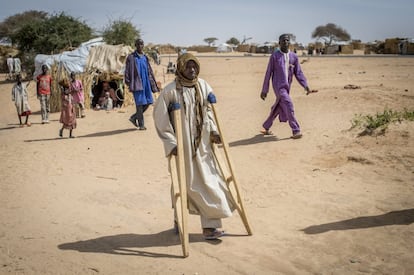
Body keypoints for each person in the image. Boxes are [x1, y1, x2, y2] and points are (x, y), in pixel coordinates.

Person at [153, 53, 235, 240]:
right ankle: (179, 218)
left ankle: (210, 227)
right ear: (181, 68)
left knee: (211, 182)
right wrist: (171, 142)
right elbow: (161, 119)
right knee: (184, 185)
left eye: (194, 67)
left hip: (204, 146)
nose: (192, 70)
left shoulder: (203, 86)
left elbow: (208, 110)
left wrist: (214, 130)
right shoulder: (170, 91)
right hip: (183, 147)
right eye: (188, 67)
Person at [260, 33, 316, 139]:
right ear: (279, 43)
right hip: (278, 86)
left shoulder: (293, 57)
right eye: (283, 40)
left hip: (287, 87)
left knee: (279, 106)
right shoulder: (275, 56)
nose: (286, 42)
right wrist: (265, 90)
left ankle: (266, 126)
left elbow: (298, 73)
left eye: (287, 40)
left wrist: (305, 85)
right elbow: (268, 73)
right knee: (288, 104)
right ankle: (296, 130)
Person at [125, 38, 159, 130]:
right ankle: (141, 125)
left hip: (146, 83)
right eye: (138, 44)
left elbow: (149, 71)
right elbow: (127, 71)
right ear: (135, 45)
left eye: (142, 44)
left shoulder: (145, 57)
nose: (140, 46)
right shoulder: (131, 57)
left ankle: (134, 117)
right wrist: (128, 82)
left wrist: (153, 83)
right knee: (139, 104)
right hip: (137, 83)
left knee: (148, 102)